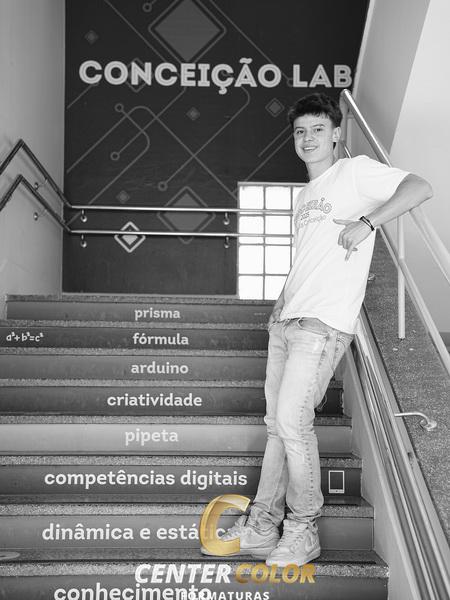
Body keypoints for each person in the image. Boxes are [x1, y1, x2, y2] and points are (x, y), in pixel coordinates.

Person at [202, 92, 433, 567]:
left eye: (317, 130)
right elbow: (307, 260)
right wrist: (281, 304)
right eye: (300, 132)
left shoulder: (355, 172)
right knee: (276, 426)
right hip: (288, 321)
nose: (308, 139)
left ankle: (303, 529)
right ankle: (262, 527)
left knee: (292, 422)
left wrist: (368, 222)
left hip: (324, 325)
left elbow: (420, 187)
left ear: (336, 135)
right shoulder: (306, 195)